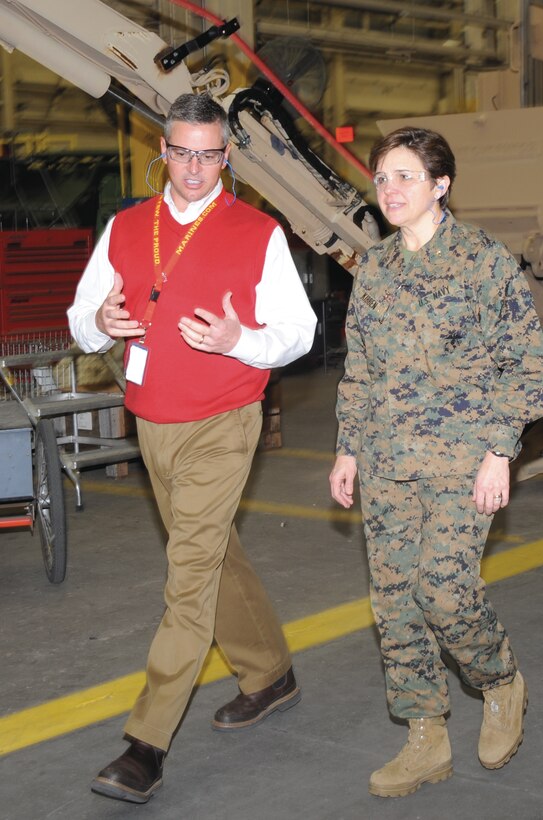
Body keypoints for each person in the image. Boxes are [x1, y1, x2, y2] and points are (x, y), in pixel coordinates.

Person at [68, 92, 317, 804]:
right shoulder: (125, 227)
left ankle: (144, 744)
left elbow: (298, 332)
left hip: (222, 419)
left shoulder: (257, 232)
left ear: (226, 156)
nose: (195, 168)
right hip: (153, 419)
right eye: (182, 152)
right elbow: (82, 315)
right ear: (164, 151)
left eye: (209, 154)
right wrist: (102, 321)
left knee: (186, 576)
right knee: (210, 554)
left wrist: (241, 340)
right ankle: (270, 674)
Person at [329, 126, 543, 799]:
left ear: (440, 184)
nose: (390, 190)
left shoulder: (482, 262)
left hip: (463, 464)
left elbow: (528, 368)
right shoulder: (373, 269)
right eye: (381, 179)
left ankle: (498, 680)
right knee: (395, 603)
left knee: (443, 590)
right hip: (388, 460)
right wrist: (346, 447)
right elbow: (360, 370)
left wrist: (497, 453)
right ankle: (424, 737)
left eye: (404, 176)